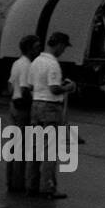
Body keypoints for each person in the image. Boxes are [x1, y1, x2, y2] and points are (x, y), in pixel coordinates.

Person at [27, 32, 75, 199]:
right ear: (59, 45)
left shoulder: (36, 62)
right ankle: (48, 186)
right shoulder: (53, 64)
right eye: (63, 47)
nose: (63, 51)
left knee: (35, 149)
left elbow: (31, 86)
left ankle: (31, 184)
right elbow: (54, 88)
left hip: (36, 105)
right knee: (50, 150)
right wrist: (68, 88)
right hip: (50, 107)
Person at [6, 34, 40, 193]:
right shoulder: (28, 66)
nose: (39, 50)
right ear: (30, 48)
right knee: (22, 147)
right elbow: (26, 89)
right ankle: (19, 183)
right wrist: (33, 104)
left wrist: (14, 98)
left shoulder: (16, 63)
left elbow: (10, 86)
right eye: (36, 46)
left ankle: (11, 180)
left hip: (14, 104)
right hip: (23, 108)